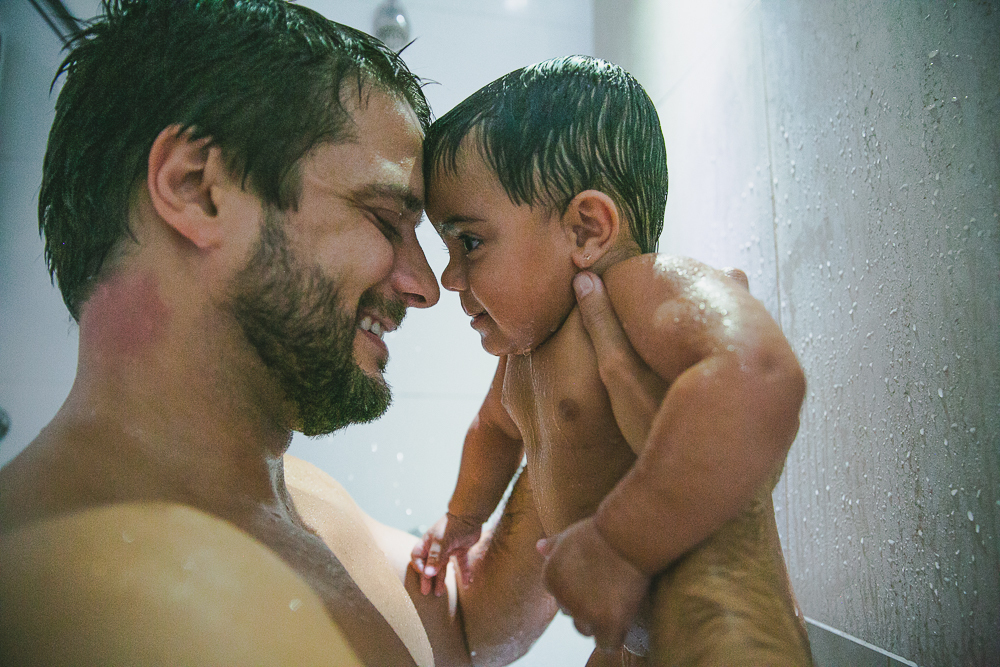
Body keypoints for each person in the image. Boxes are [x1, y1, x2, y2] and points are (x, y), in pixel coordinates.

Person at [0, 1, 588, 664]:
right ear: (197, 188)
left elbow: (459, 623)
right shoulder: (66, 603)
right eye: (383, 217)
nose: (426, 285)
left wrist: (573, 393)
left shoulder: (292, 496)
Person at [411, 56, 814, 666]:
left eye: (469, 242)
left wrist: (622, 544)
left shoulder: (638, 294)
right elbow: (495, 431)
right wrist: (462, 517)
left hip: (720, 630)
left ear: (585, 230)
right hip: (628, 639)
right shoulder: (525, 359)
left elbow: (759, 373)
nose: (447, 276)